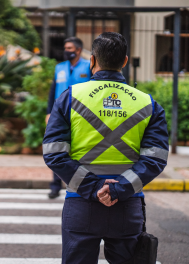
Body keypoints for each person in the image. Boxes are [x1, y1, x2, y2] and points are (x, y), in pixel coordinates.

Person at [43, 32, 169, 263]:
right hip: (127, 203)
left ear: (92, 61)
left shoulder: (70, 97)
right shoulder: (148, 103)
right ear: (125, 61)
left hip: (81, 200)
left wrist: (94, 187)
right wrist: (117, 189)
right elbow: (156, 159)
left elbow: (54, 153)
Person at [46, 37, 91, 199]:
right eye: (65, 48)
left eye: (70, 48)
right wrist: (48, 112)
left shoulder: (88, 66)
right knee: (57, 149)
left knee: (77, 151)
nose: (66, 51)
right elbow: (53, 91)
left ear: (78, 50)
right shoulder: (60, 68)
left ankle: (75, 184)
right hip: (60, 115)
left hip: (82, 116)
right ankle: (55, 186)